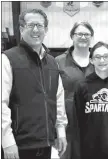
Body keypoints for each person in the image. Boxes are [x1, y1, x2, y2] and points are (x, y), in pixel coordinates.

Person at [1, 9, 68, 159]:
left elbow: (58, 99)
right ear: (21, 28)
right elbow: (1, 103)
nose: (36, 30)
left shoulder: (52, 62)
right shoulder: (7, 59)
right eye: (31, 25)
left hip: (45, 143)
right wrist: (6, 140)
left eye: (40, 25)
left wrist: (60, 130)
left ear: (46, 29)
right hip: (17, 146)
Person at [55, 21, 95, 159]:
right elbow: (52, 94)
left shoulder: (100, 61)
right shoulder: (58, 62)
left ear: (92, 37)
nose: (83, 37)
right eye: (79, 34)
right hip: (69, 122)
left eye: (87, 34)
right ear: (72, 36)